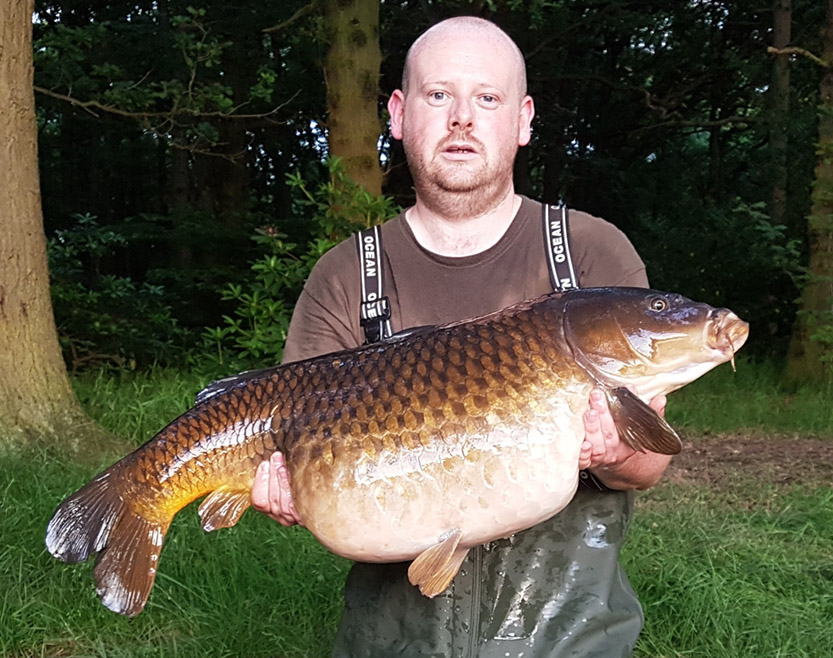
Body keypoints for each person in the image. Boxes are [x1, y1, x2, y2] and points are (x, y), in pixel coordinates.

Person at [252, 16, 671, 657]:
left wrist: (618, 451)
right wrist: (284, 487)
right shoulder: (343, 275)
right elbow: (288, 454)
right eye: (438, 95)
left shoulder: (591, 257)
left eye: (487, 98)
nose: (462, 119)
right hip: (392, 643)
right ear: (398, 113)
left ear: (523, 120)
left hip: (567, 636)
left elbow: (650, 464)